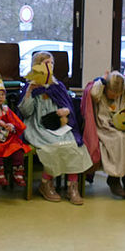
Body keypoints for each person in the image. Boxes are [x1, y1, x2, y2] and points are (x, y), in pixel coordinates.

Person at [18, 53, 91, 205]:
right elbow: (26, 112)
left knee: (72, 145)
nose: (49, 66)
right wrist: (30, 92)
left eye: (51, 63)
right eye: (46, 63)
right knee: (53, 147)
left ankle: (72, 186)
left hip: (58, 125)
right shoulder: (30, 85)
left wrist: (66, 111)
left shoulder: (57, 85)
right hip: (38, 126)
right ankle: (45, 183)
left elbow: (67, 105)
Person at [82, 71, 125, 199]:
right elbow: (93, 93)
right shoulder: (100, 92)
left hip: (120, 127)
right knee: (119, 140)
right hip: (104, 128)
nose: (116, 96)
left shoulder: (123, 94)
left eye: (118, 93)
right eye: (113, 93)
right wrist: (102, 80)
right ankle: (114, 178)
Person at [0, 69, 30, 188]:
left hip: (7, 137)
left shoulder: (6, 109)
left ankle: (18, 173)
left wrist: (11, 126)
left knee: (17, 148)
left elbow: (16, 123)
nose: (1, 97)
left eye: (2, 94)